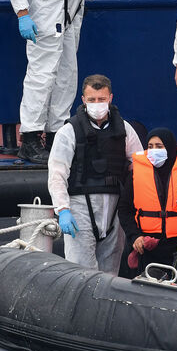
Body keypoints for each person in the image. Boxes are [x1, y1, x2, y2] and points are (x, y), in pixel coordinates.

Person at [9, 0, 97, 164]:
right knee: (42, 73)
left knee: (67, 73)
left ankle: (56, 133)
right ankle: (30, 137)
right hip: (46, 8)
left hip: (71, 5)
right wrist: (22, 13)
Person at [47, 75, 142, 275]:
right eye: (91, 100)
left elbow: (139, 165)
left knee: (110, 274)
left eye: (101, 99)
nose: (97, 104)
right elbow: (57, 173)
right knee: (80, 273)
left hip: (115, 209)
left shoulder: (124, 129)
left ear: (111, 98)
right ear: (83, 100)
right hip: (80, 208)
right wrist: (62, 209)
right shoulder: (69, 131)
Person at [119, 127, 177, 271]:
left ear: (169, 147)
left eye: (159, 146)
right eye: (150, 146)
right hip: (149, 246)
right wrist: (135, 236)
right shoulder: (137, 173)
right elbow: (124, 209)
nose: (154, 150)